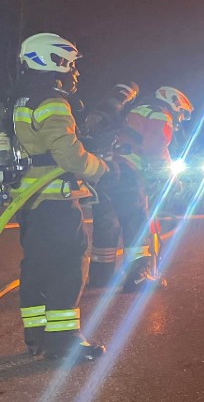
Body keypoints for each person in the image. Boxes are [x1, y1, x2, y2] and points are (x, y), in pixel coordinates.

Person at [11, 32, 110, 360]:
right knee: (67, 267)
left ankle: (37, 336)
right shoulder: (52, 102)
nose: (74, 73)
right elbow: (68, 156)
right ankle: (64, 342)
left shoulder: (20, 100)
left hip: (29, 201)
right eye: (70, 65)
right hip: (55, 201)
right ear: (54, 62)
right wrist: (101, 168)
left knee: (36, 268)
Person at [121, 85, 193, 289]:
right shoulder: (161, 116)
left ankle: (102, 274)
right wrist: (171, 180)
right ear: (174, 104)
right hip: (134, 173)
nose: (179, 118)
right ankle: (142, 275)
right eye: (181, 113)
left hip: (114, 169)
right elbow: (156, 150)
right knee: (143, 222)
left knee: (109, 225)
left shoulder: (140, 109)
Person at [81, 82, 149, 288]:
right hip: (123, 172)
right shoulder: (122, 112)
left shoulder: (99, 110)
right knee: (135, 221)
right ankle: (138, 276)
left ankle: (101, 276)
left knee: (106, 224)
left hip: (103, 173)